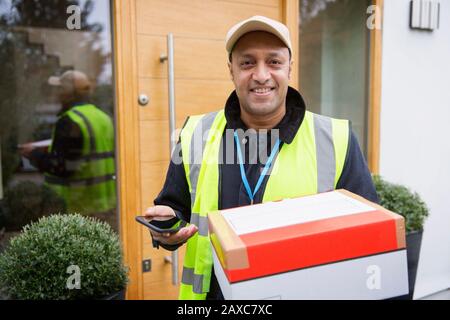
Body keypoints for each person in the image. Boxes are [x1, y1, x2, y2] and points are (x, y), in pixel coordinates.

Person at [144, 16, 378, 300]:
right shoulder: (194, 134)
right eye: (247, 63)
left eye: (274, 62)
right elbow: (175, 210)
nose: (261, 75)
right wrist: (166, 230)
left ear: (290, 67)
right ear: (231, 70)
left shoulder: (336, 138)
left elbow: (368, 236)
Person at [19, 70, 116, 224]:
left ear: (69, 94)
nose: (56, 93)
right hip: (104, 205)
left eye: (60, 89)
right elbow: (87, 153)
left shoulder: (70, 121)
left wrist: (34, 154)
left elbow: (63, 167)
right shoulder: (103, 118)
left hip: (76, 208)